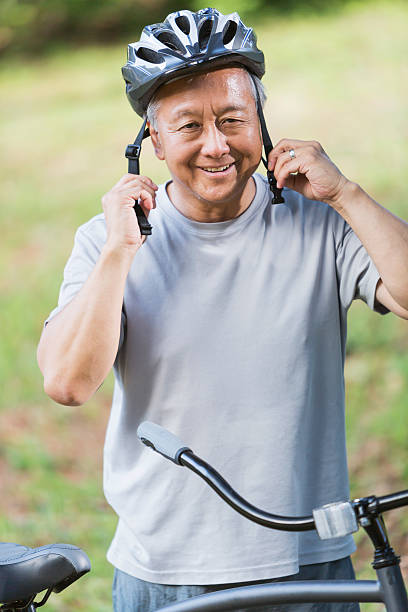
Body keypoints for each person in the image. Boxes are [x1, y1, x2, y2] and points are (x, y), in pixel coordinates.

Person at [37, 7, 408, 612]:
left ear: (261, 124)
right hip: (168, 567)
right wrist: (118, 253)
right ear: (152, 143)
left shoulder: (320, 224)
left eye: (233, 119)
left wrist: (346, 194)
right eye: (189, 126)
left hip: (310, 560)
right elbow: (69, 383)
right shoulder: (108, 242)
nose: (216, 145)